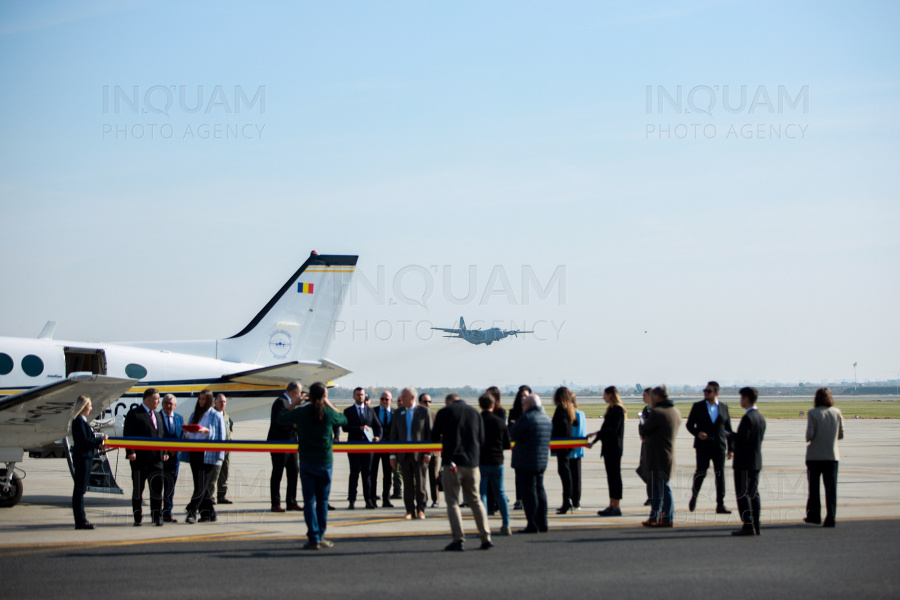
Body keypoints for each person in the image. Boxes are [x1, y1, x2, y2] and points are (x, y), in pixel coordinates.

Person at [276, 382, 348, 550]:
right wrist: (329, 404)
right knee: (322, 501)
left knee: (309, 501)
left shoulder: (301, 412)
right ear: (324, 396)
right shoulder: (329, 413)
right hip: (324, 461)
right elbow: (344, 420)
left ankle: (313, 536)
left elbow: (281, 418)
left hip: (307, 461)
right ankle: (321, 535)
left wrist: (294, 403)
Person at [431, 394, 493, 551]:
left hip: (452, 463)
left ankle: (458, 538)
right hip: (472, 463)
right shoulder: (474, 413)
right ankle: (485, 536)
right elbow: (482, 439)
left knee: (452, 502)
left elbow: (433, 438)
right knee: (476, 501)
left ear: (448, 401)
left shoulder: (444, 412)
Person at [686, 381, 734, 514]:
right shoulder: (698, 406)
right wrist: (697, 433)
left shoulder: (724, 407)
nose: (706, 393)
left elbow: (728, 429)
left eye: (709, 391)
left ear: (716, 393)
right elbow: (689, 425)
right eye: (705, 391)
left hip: (719, 447)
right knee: (701, 473)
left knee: (720, 475)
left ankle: (720, 504)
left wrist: (731, 448)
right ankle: (694, 497)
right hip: (703, 446)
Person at [123, 387, 168, 526]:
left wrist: (165, 451)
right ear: (147, 400)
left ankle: (157, 516)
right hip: (140, 460)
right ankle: (138, 516)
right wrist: (130, 451)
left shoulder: (158, 415)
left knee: (157, 489)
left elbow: (162, 435)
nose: (158, 402)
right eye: (156, 399)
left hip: (156, 460)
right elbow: (128, 434)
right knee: (138, 489)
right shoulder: (135, 414)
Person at [639, 385, 681, 528]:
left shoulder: (657, 412)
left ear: (657, 397)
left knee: (662, 487)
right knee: (659, 487)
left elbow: (645, 429)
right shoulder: (675, 411)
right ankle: (655, 516)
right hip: (668, 454)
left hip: (657, 455)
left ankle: (666, 517)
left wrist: (642, 422)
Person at [510, 393, 552, 534]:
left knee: (529, 494)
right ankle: (543, 523)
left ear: (529, 404)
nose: (522, 406)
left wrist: (514, 425)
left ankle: (532, 524)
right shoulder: (546, 418)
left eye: (524, 404)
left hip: (525, 461)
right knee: (540, 490)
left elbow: (514, 434)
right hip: (540, 461)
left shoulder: (527, 418)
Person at [389, 387, 432, 519]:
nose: (401, 399)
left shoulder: (423, 411)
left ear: (412, 398)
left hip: (419, 455)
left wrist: (428, 453)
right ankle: (409, 510)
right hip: (403, 455)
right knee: (407, 485)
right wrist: (392, 455)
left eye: (404, 396)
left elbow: (429, 434)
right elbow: (393, 435)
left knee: (420, 484)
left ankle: (420, 510)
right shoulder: (398, 412)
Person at [729, 387, 766, 536]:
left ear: (747, 399)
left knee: (742, 493)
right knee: (754, 493)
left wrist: (729, 434)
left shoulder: (748, 418)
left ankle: (748, 524)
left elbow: (742, 438)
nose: (740, 401)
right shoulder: (760, 417)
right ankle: (756, 524)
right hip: (756, 461)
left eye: (741, 398)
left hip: (744, 462)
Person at [184, 390, 226, 524]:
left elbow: (221, 436)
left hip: (208, 454)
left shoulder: (216, 415)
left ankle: (191, 511)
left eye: (203, 399)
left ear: (209, 400)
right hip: (195, 453)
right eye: (200, 399)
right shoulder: (195, 414)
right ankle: (209, 513)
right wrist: (188, 431)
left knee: (201, 486)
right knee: (200, 485)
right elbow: (190, 436)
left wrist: (207, 431)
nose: (201, 401)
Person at [805, 388, 843, 527]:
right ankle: (831, 517)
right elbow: (841, 435)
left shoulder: (813, 413)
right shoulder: (837, 412)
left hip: (815, 456)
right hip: (832, 456)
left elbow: (810, 435)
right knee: (831, 489)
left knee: (814, 489)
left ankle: (815, 516)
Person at [70, 396, 107, 529]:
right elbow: (84, 441)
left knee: (81, 489)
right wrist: (100, 440)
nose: (91, 408)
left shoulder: (82, 420)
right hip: (82, 458)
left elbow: (86, 441)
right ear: (84, 406)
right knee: (79, 490)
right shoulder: (79, 421)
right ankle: (80, 520)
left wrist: (98, 444)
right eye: (89, 405)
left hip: (86, 457)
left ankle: (81, 519)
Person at [343, 387, 382, 509]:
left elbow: (378, 426)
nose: (361, 397)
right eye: (358, 395)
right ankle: (352, 500)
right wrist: (358, 429)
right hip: (354, 447)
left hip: (368, 447)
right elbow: (345, 428)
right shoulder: (348, 411)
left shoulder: (370, 411)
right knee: (354, 473)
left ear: (365, 396)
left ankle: (369, 500)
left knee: (367, 475)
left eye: (362, 395)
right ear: (353, 396)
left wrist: (378, 437)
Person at [589, 386, 626, 516]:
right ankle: (611, 505)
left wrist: (596, 435)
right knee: (611, 477)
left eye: (604, 394)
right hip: (608, 448)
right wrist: (594, 440)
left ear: (610, 395)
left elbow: (612, 430)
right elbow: (605, 428)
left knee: (615, 477)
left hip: (614, 449)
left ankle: (616, 507)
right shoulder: (610, 409)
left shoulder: (618, 410)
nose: (603, 397)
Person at [478, 394, 512, 535]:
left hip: (481, 462)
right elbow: (507, 444)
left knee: (483, 495)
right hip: (497, 461)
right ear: (493, 405)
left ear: (481, 405)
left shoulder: (477, 421)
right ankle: (506, 524)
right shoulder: (499, 422)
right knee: (500, 493)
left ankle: (484, 527)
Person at [267, 382, 302, 513]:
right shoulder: (280, 402)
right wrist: (296, 425)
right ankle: (275, 503)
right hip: (279, 443)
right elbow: (279, 421)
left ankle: (291, 501)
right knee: (278, 473)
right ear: (294, 392)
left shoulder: (292, 403)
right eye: (299, 393)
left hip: (291, 443)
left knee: (294, 472)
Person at [551, 387, 576, 514]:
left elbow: (562, 427)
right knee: (565, 472)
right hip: (566, 446)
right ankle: (567, 500)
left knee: (564, 472)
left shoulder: (561, 409)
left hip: (562, 445)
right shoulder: (569, 409)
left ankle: (567, 501)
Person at [159, 394, 184, 522]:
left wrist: (176, 450)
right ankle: (156, 512)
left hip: (174, 459)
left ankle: (167, 511)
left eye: (171, 403)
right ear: (162, 404)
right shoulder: (156, 417)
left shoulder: (179, 418)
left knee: (170, 486)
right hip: (160, 457)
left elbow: (182, 436)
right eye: (166, 403)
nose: (168, 406)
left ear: (175, 405)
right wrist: (166, 450)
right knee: (157, 486)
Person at [371, 390, 397, 507]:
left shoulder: (396, 413)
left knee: (388, 475)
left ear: (391, 400)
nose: (384, 401)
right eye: (382, 399)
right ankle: (372, 499)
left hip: (389, 449)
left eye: (387, 399)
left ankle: (386, 499)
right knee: (373, 475)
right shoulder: (373, 411)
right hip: (375, 448)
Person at [507, 385, 531, 510]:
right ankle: (519, 499)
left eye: (526, 396)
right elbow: (510, 430)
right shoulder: (513, 412)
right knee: (519, 475)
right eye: (522, 396)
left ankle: (529, 500)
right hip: (518, 448)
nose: (523, 398)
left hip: (531, 449)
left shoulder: (534, 411)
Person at [210, 394, 234, 505]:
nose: (222, 403)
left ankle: (221, 496)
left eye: (224, 401)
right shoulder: (211, 415)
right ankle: (209, 497)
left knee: (224, 473)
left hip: (226, 450)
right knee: (214, 474)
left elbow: (230, 429)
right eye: (220, 401)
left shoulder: (226, 416)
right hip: (215, 450)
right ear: (215, 402)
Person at [420, 393, 441, 507]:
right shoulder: (416, 416)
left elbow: (441, 433)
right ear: (420, 403)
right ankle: (423, 499)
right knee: (421, 477)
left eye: (429, 401)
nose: (427, 404)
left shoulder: (435, 416)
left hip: (434, 451)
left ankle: (435, 499)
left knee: (434, 476)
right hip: (420, 451)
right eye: (425, 401)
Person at [569, 395, 587, 510]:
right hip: (567, 450)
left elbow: (581, 433)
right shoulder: (565, 415)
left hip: (574, 451)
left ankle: (576, 501)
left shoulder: (579, 414)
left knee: (575, 477)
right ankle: (570, 499)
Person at [636, 387, 653, 506]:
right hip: (645, 443)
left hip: (654, 444)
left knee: (653, 472)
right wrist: (641, 434)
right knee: (645, 469)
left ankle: (654, 496)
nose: (643, 397)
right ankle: (650, 496)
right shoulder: (646, 409)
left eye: (645, 395)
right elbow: (641, 424)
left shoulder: (656, 410)